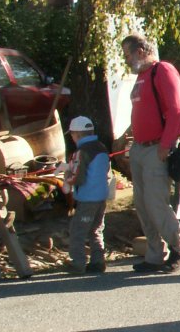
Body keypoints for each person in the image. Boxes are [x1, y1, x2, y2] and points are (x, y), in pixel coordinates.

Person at [122, 33, 180, 273]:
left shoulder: (162, 70)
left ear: (141, 51)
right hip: (141, 148)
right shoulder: (142, 76)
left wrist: (166, 143)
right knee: (142, 204)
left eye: (127, 54)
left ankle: (179, 247)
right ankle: (155, 254)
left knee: (155, 203)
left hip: (155, 149)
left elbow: (176, 109)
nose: (126, 60)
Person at [64, 115, 110, 274]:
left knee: (78, 229)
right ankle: (98, 261)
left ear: (76, 135)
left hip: (87, 199)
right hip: (101, 197)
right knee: (96, 229)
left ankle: (77, 262)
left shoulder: (81, 152)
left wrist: (66, 176)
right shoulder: (102, 147)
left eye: (71, 135)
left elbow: (77, 177)